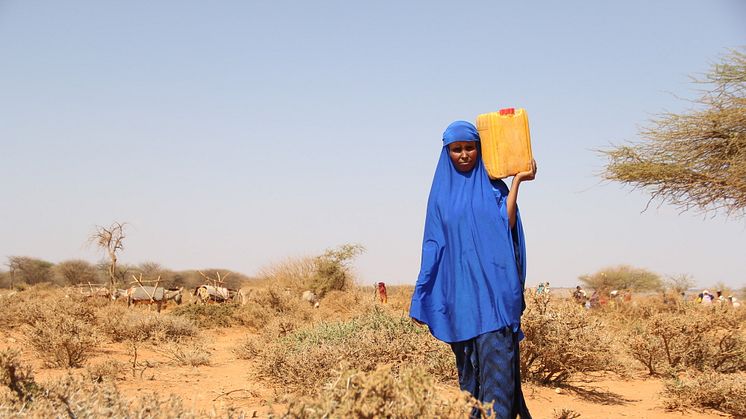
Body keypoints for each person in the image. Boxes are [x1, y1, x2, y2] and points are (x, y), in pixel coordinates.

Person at [409, 121, 536, 418]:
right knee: (469, 375)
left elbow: (507, 225)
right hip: (461, 300)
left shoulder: (495, 188)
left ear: (480, 149)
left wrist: (517, 182)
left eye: (469, 148)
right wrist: (422, 296)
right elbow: (432, 245)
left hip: (495, 296)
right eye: (457, 149)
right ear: (447, 152)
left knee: (498, 372)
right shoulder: (440, 198)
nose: (464, 154)